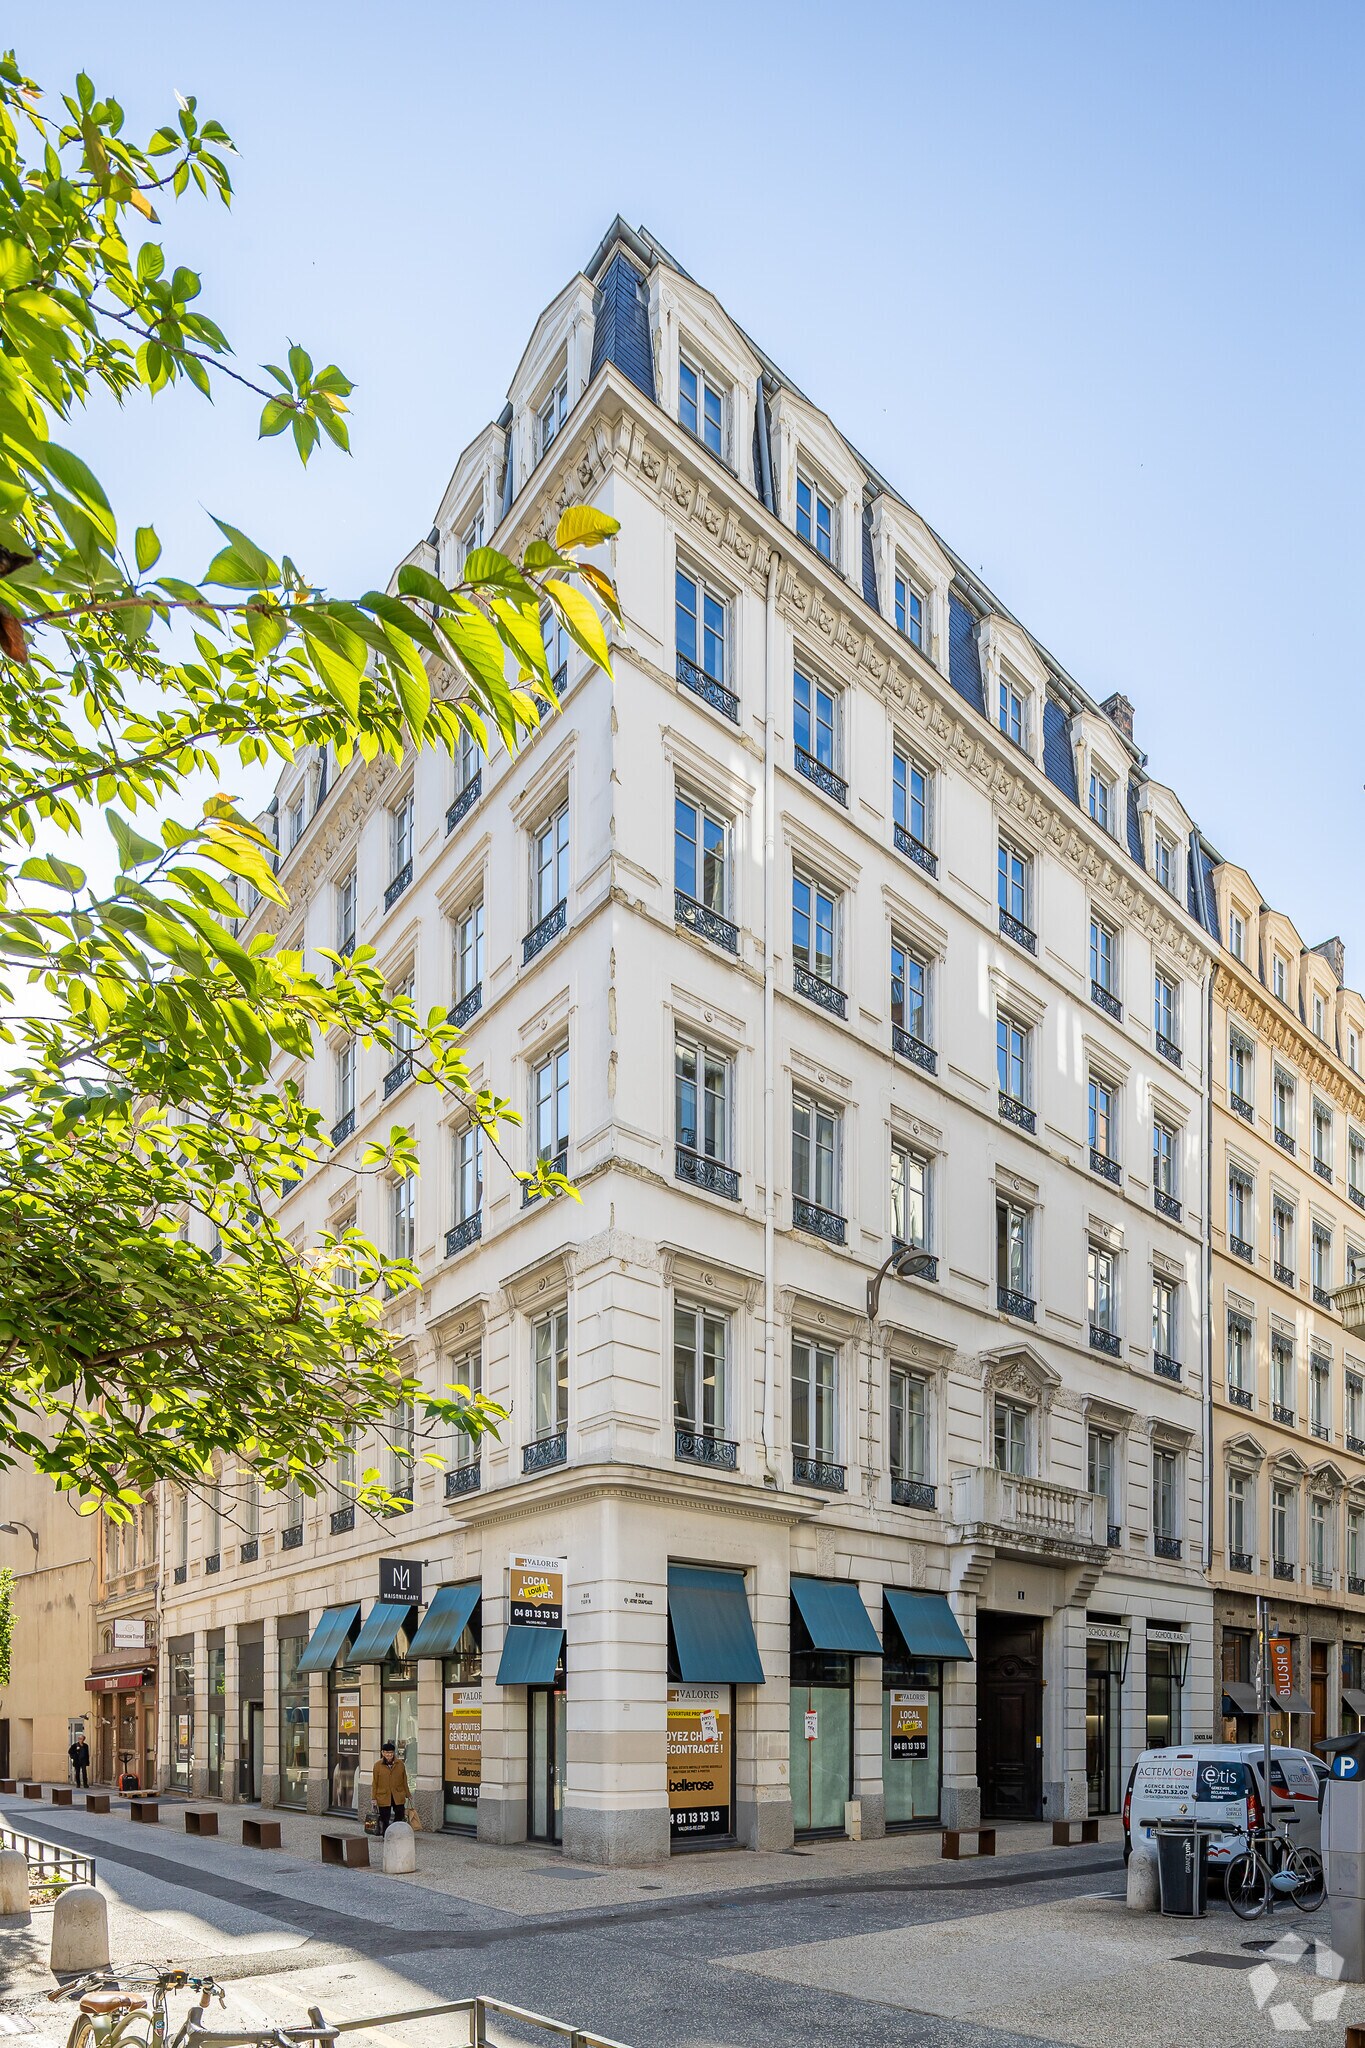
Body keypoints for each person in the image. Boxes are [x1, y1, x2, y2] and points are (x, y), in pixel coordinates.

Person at [370, 1738, 408, 1833]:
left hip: (397, 1794)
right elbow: (375, 1782)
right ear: (383, 1753)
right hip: (383, 1795)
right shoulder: (377, 1765)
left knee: (400, 1814)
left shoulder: (400, 1764)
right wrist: (373, 1798)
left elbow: (404, 1780)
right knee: (384, 1817)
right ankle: (386, 1834)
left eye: (391, 1753)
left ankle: (395, 1831)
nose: (389, 1755)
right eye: (386, 1753)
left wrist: (408, 1794)